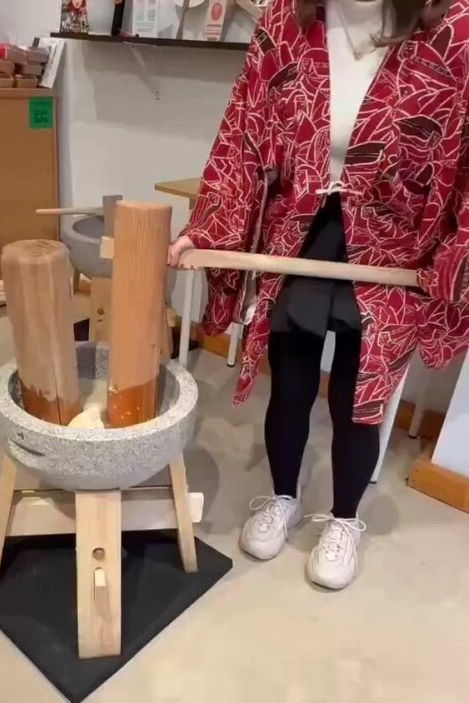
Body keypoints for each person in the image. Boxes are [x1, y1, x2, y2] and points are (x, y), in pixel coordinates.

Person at [169, 0, 469, 590]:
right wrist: (205, 230)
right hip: (299, 231)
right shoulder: (288, 18)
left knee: (360, 397)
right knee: (290, 379)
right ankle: (283, 496)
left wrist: (456, 254)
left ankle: (345, 519)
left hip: (393, 244)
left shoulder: (453, 28)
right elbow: (242, 133)